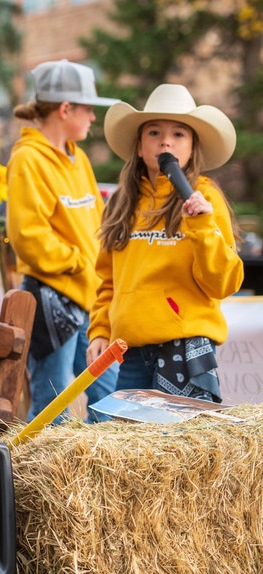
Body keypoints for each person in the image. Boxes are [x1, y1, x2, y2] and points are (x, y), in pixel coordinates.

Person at [87, 84, 244, 402]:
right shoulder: (121, 203)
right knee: (128, 446)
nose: (166, 141)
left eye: (179, 134)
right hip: (130, 350)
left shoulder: (205, 197)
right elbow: (107, 281)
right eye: (154, 132)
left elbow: (224, 283)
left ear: (192, 147)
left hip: (185, 347)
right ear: (140, 148)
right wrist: (101, 329)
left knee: (184, 449)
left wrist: (202, 226)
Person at [5, 59, 120, 424]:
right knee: (52, 404)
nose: (92, 118)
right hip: (51, 299)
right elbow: (28, 238)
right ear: (65, 108)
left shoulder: (79, 157)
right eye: (88, 109)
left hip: (90, 298)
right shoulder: (27, 160)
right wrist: (78, 261)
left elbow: (97, 223)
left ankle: (109, 477)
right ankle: (46, 480)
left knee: (110, 396)